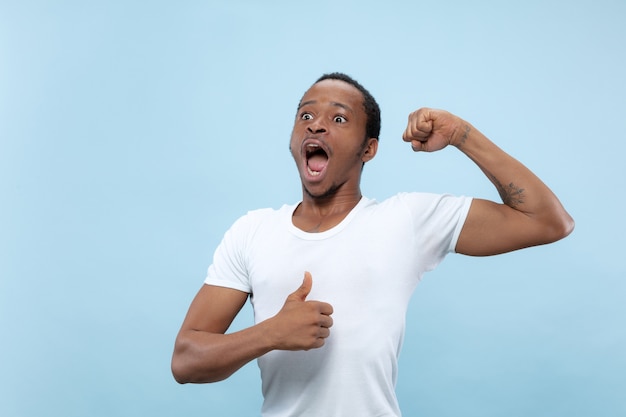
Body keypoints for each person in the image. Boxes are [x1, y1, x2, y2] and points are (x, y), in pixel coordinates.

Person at [171, 72, 574, 416]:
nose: (316, 125)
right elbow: (186, 359)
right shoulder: (252, 231)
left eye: (339, 118)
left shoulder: (406, 221)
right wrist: (270, 333)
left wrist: (460, 134)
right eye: (306, 115)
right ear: (293, 137)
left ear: (369, 149)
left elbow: (546, 220)